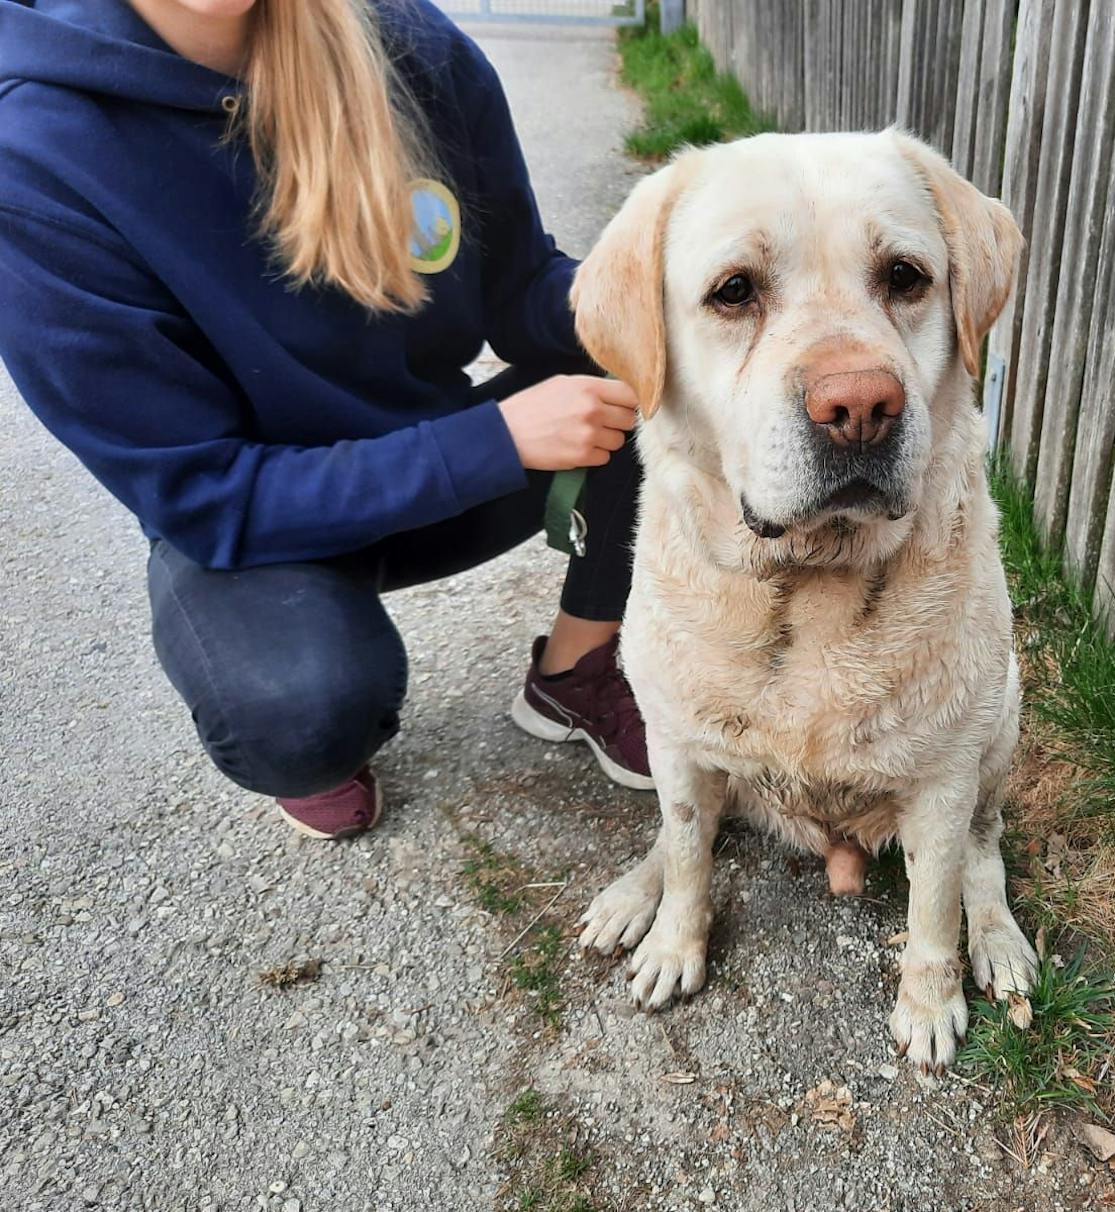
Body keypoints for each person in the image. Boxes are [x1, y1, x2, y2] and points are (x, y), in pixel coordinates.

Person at [0, 0, 655, 841]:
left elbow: (521, 287)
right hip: (258, 529)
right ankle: (305, 699)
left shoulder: (413, 48)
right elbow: (203, 494)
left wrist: (655, 289)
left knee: (652, 369)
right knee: (302, 713)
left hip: (430, 463)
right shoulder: (35, 153)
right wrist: (492, 442)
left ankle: (576, 668)